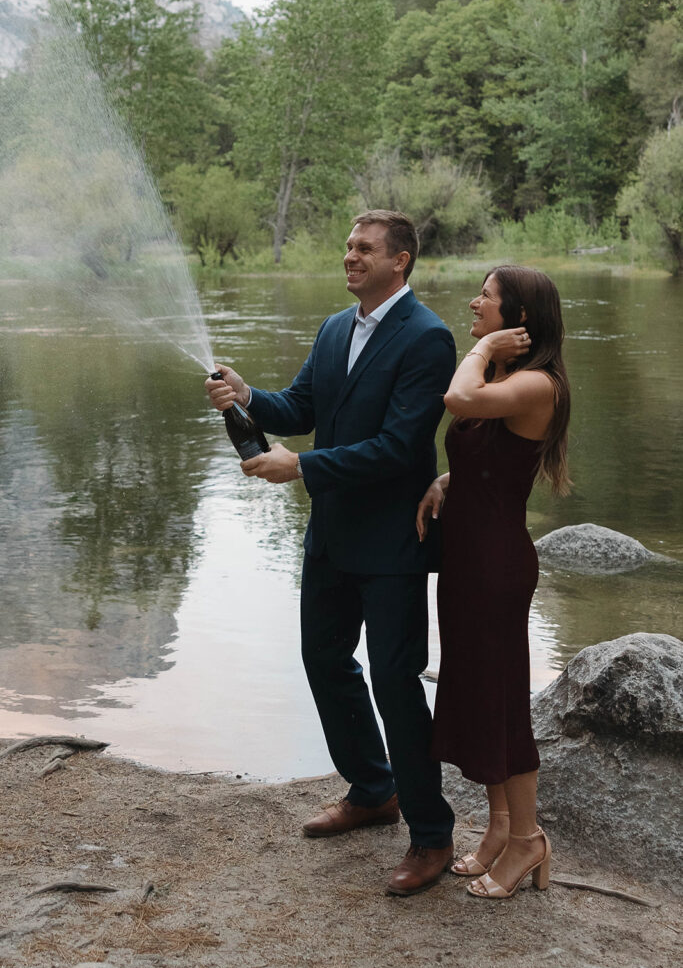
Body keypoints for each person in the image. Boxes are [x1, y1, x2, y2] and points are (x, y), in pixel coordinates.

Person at [206, 210, 456, 896]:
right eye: (347, 246)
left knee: (395, 684)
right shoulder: (333, 327)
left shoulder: (428, 338)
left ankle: (431, 834)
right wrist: (247, 394)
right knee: (323, 659)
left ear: (399, 261)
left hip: (392, 544)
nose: (349, 257)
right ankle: (373, 789)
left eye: (364, 249)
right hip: (331, 537)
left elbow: (400, 449)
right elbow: (300, 407)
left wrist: (303, 470)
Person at [416, 265, 570, 900]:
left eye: (486, 296)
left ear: (518, 321)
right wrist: (444, 482)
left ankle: (531, 840)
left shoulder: (536, 383)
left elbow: (458, 401)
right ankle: (501, 826)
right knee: (479, 695)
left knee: (503, 704)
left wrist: (479, 350)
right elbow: (491, 457)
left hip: (497, 569)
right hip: (467, 564)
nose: (473, 302)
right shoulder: (508, 381)